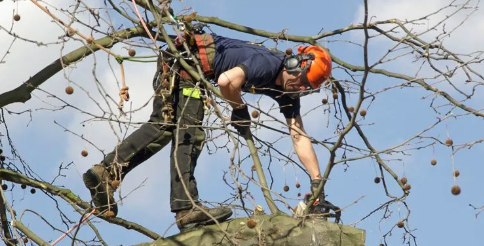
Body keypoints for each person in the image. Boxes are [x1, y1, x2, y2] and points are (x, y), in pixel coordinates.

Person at [82, 31, 332, 231]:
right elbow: (226, 82)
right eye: (301, 81)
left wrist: (317, 181)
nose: (299, 88)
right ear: (295, 63)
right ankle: (186, 209)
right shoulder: (268, 63)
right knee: (188, 134)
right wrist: (239, 108)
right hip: (188, 66)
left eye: (306, 88)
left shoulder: (287, 93)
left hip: (181, 64)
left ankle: (104, 172)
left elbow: (298, 134)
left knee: (164, 126)